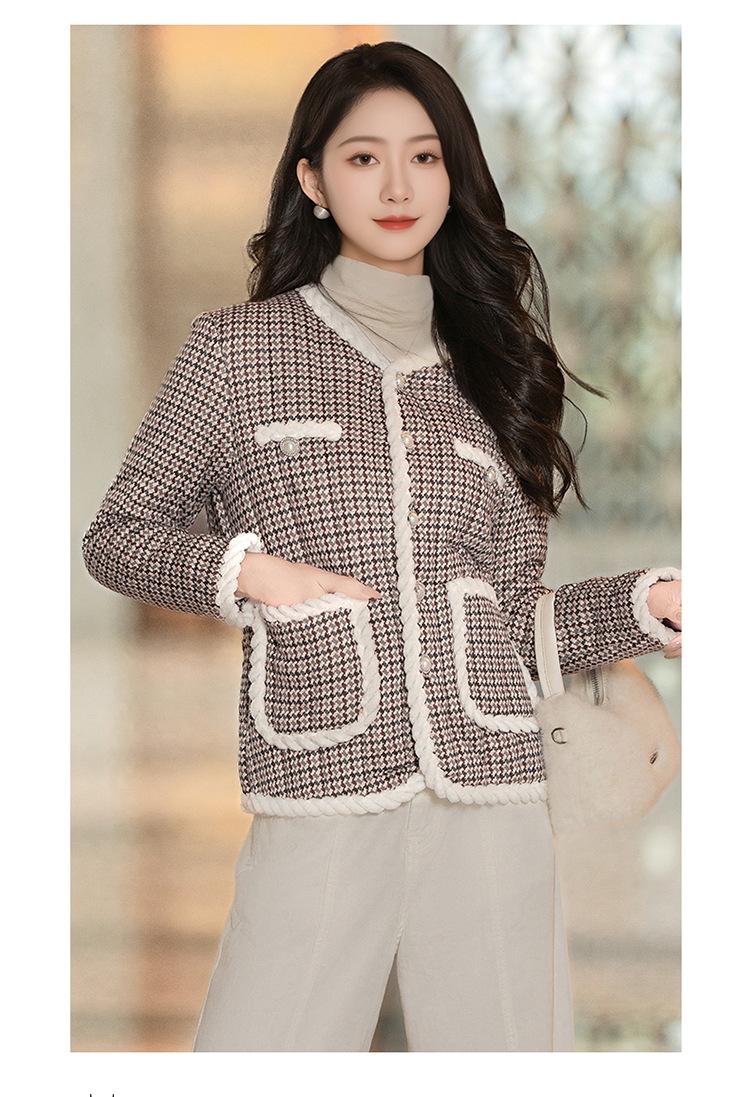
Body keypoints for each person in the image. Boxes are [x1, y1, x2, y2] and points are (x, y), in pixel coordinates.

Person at [81, 41, 682, 1052]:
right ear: (314, 181)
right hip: (323, 774)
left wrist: (640, 604)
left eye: (425, 156)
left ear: (454, 175)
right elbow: (118, 537)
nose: (398, 186)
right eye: (364, 158)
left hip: (493, 786)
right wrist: (250, 573)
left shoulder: (497, 368)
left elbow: (508, 614)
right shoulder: (235, 350)